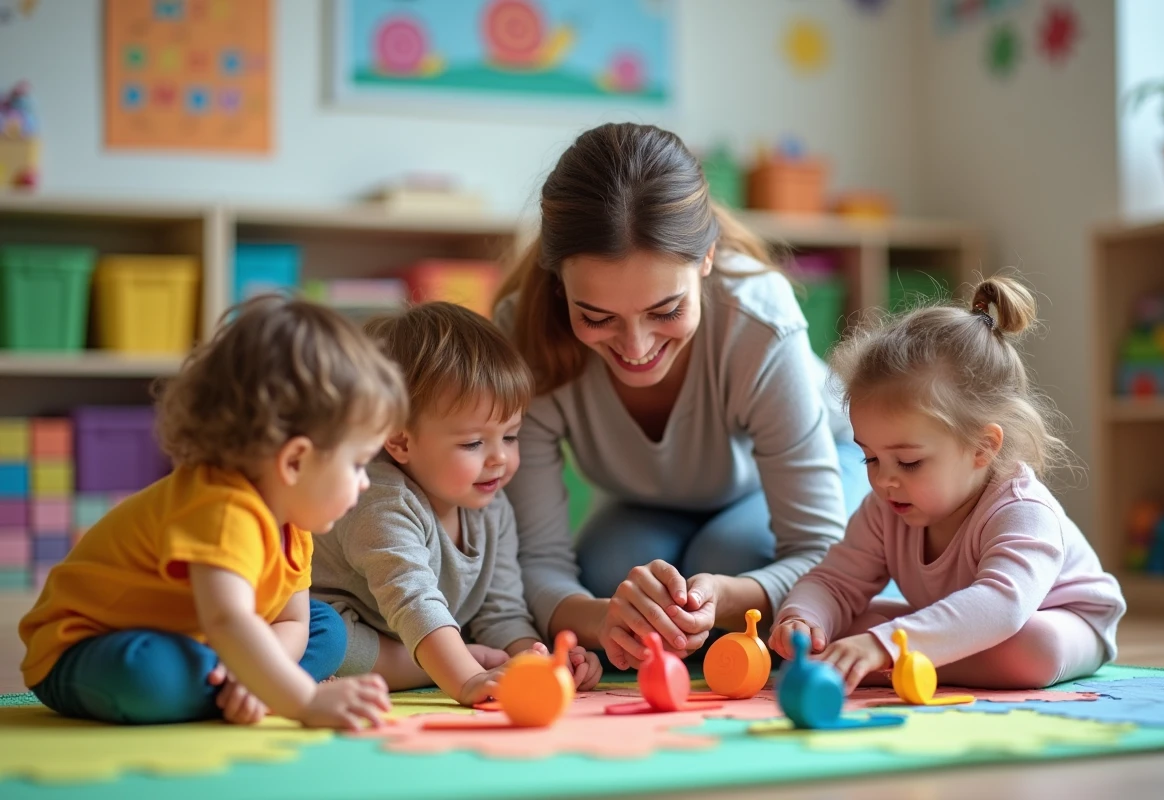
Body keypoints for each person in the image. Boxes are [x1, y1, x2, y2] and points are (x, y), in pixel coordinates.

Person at [493, 122, 869, 670]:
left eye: (666, 311)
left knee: (730, 557)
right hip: (657, 502)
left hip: (830, 464)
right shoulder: (525, 337)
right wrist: (602, 618)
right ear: (559, 285)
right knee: (613, 574)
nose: (636, 347)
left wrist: (728, 598)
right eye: (596, 318)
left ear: (707, 259)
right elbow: (536, 562)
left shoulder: (758, 321)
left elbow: (819, 552)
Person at [19, 296, 406, 728]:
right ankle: (248, 684)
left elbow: (292, 618)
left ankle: (239, 685)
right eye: (357, 464)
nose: (365, 481)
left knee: (327, 629)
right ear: (294, 462)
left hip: (206, 642)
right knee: (151, 675)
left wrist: (255, 672)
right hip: (90, 648)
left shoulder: (294, 522)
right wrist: (301, 701)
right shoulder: (223, 507)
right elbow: (228, 619)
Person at [769, 277, 1127, 691]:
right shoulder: (885, 507)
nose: (884, 479)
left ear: (982, 447)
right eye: (870, 457)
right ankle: (894, 660)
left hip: (1060, 621)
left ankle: (891, 665)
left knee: (1034, 647)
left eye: (908, 462)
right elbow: (835, 580)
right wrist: (803, 618)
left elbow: (1001, 607)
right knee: (845, 624)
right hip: (953, 624)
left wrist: (881, 647)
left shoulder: (1023, 510)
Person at [312, 302, 602, 705]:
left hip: (429, 637)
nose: (499, 457)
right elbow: (414, 601)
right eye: (473, 443)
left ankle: (447, 659)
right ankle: (428, 666)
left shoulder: (491, 504)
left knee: (478, 639)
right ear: (400, 441)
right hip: (346, 626)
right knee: (328, 641)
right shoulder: (380, 501)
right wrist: (467, 678)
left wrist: (537, 660)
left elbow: (501, 609)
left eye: (511, 436)